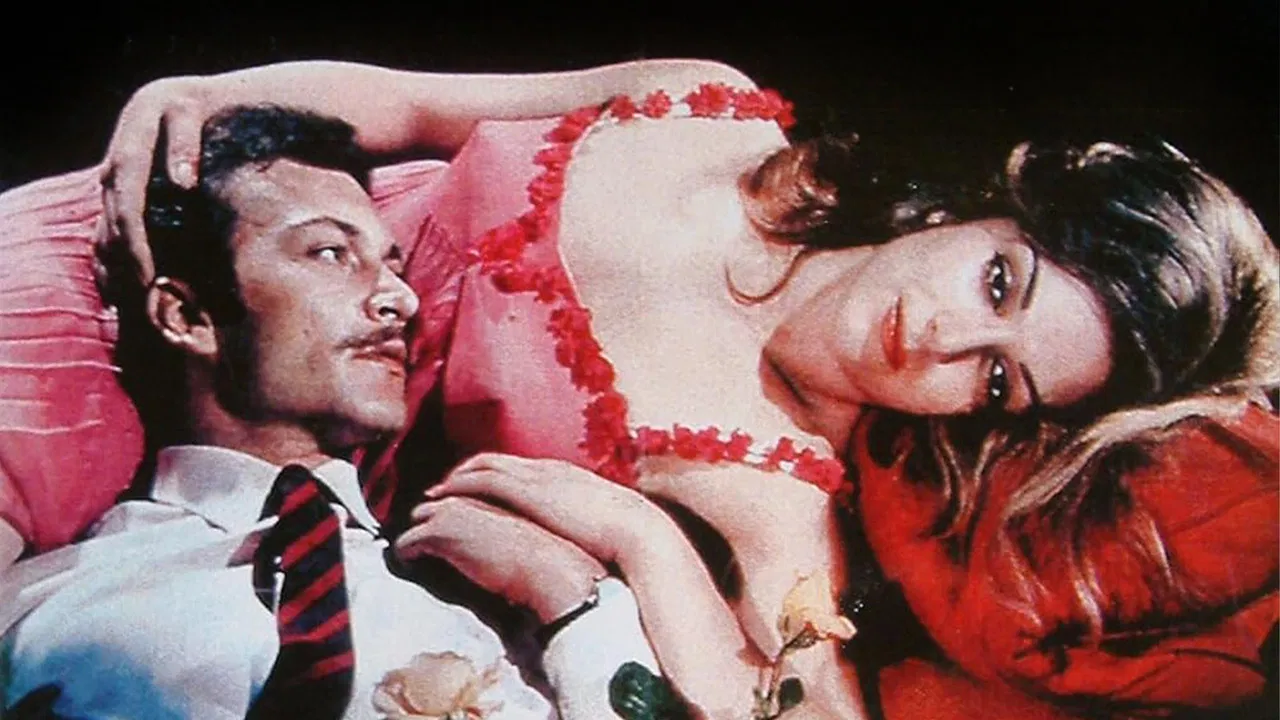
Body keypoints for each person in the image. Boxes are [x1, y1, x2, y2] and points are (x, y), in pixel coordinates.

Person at [3, 58, 1277, 717]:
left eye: (995, 381)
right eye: (997, 281)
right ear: (989, 207)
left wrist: (638, 537)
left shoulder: (778, 493)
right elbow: (397, 104)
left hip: (216, 465)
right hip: (196, 261)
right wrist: (206, 97)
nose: (938, 339)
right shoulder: (706, 108)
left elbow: (783, 713)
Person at [0, 105, 663, 720]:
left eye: (393, 265)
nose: (399, 299)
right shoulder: (44, 609)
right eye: (329, 253)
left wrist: (573, 605)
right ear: (189, 316)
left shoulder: (499, 603)